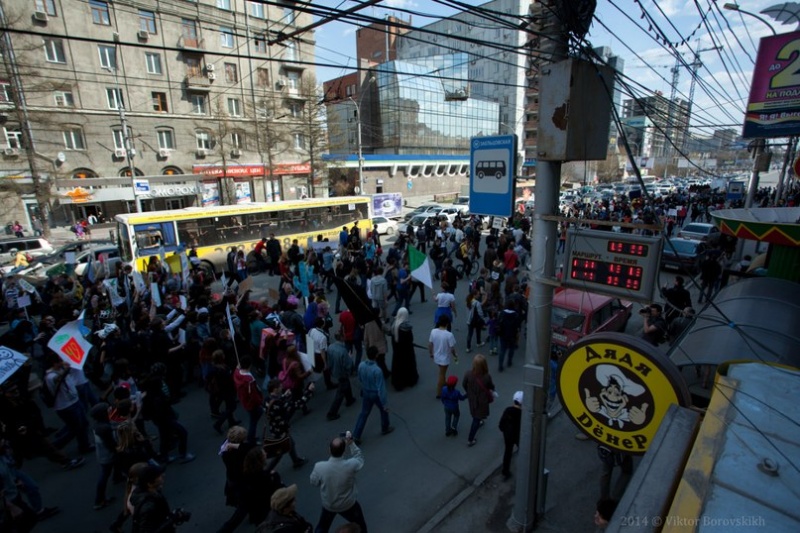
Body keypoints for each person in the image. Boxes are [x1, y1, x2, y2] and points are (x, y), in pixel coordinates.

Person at [309, 434, 368, 533]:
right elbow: (359, 458)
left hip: (329, 505)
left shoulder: (319, 467)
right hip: (348, 504)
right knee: (361, 526)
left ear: (329, 450)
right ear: (344, 451)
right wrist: (351, 443)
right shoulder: (351, 465)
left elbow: (314, 482)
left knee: (322, 528)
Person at [130, 464, 190, 533]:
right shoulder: (148, 506)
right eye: (158, 476)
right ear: (150, 484)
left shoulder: (153, 492)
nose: (163, 475)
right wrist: (172, 519)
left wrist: (172, 517)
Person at [352, 347, 394, 445]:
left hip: (366, 391)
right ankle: (385, 427)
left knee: (364, 413)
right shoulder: (377, 370)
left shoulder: (361, 365)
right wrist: (384, 403)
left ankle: (356, 435)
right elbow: (381, 388)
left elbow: (360, 378)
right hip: (375, 393)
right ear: (376, 355)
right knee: (383, 410)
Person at [462, 354, 496, 447]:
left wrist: (469, 392)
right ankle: (470, 439)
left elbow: (464, 384)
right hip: (482, 400)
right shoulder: (486, 376)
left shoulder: (468, 374)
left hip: (472, 398)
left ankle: (479, 420)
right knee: (476, 418)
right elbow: (491, 386)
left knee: (474, 411)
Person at [326, 331, 355, 421]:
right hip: (342, 372)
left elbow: (329, 360)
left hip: (335, 370)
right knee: (340, 392)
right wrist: (350, 358)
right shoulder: (343, 351)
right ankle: (332, 413)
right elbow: (348, 365)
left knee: (346, 384)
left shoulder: (330, 347)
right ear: (342, 338)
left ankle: (349, 399)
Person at [233, 356, 264, 444]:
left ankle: (251, 438)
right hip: (251, 403)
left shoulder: (237, 373)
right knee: (253, 421)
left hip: (245, 400)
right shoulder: (249, 380)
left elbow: (237, 368)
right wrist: (260, 401)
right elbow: (254, 395)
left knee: (255, 417)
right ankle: (251, 439)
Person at [428, 315, 457, 399]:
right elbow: (452, 348)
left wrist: (431, 353)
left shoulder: (433, 331)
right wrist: (455, 356)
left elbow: (430, 344)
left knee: (442, 372)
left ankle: (444, 383)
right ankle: (439, 392)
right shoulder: (449, 335)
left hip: (436, 356)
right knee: (442, 374)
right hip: (445, 359)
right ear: (447, 324)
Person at [390, 307, 418, 391]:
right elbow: (410, 339)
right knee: (408, 365)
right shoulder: (406, 327)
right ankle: (410, 380)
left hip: (397, 351)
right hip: (407, 351)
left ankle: (399, 383)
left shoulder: (394, 325)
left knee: (398, 366)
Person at [498, 391, 523, 479]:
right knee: (524, 451)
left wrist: (504, 431)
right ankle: (524, 470)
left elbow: (501, 424)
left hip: (508, 436)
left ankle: (505, 471)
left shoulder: (508, 410)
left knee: (507, 453)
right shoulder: (522, 413)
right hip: (518, 436)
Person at [497, 301, 522, 372]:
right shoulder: (515, 315)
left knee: (502, 350)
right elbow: (517, 326)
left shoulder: (502, 313)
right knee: (511, 348)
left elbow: (499, 322)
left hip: (503, 334)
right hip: (512, 335)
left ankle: (500, 366)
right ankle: (509, 362)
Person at [465, 289, 486, 353]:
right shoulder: (477, 303)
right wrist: (483, 319)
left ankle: (468, 347)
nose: (479, 295)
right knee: (478, 331)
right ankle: (478, 342)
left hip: (469, 320)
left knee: (470, 333)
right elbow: (480, 313)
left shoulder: (468, 301)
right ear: (474, 295)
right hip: (476, 320)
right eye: (478, 294)